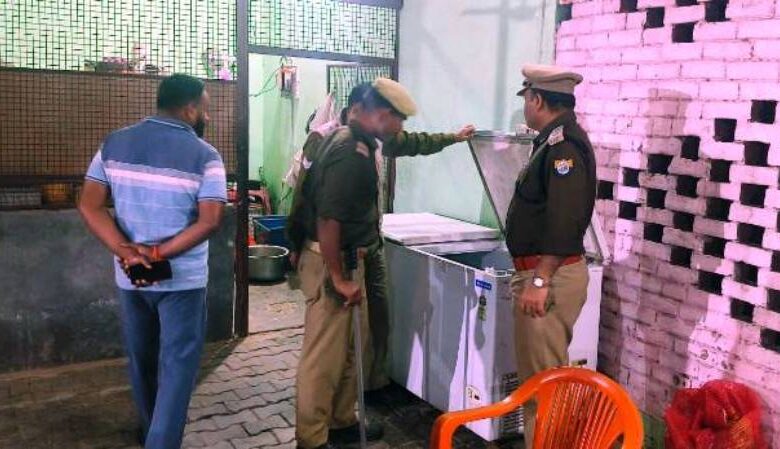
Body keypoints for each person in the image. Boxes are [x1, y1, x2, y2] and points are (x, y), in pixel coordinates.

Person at [286, 82, 475, 394]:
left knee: (374, 320)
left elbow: (413, 142)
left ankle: (368, 386)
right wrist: (295, 244)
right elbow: (307, 198)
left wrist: (453, 138)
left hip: (368, 245)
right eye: (392, 117)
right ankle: (324, 413)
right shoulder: (326, 139)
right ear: (357, 110)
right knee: (329, 345)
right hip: (335, 251)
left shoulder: (372, 138)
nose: (396, 126)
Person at [78, 74, 226, 449]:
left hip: (131, 278)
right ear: (190, 109)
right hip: (183, 284)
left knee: (142, 361)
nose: (206, 116)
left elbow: (89, 205)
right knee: (177, 370)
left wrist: (127, 251)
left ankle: (150, 433)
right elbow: (210, 221)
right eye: (205, 109)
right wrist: (158, 253)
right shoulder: (206, 156)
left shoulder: (114, 143)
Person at [294, 78, 416, 449]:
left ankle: (341, 420)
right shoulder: (351, 152)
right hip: (332, 261)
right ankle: (312, 438)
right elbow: (329, 220)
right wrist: (338, 277)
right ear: (376, 113)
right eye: (396, 118)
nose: (399, 127)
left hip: (347, 259)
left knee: (349, 350)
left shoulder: (355, 141)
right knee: (323, 359)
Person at [506, 64, 596, 449]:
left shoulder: (564, 146)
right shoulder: (550, 141)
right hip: (543, 276)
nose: (526, 105)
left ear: (538, 99)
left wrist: (540, 280)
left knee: (544, 386)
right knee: (540, 382)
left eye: (527, 97)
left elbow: (565, 219)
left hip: (549, 279)